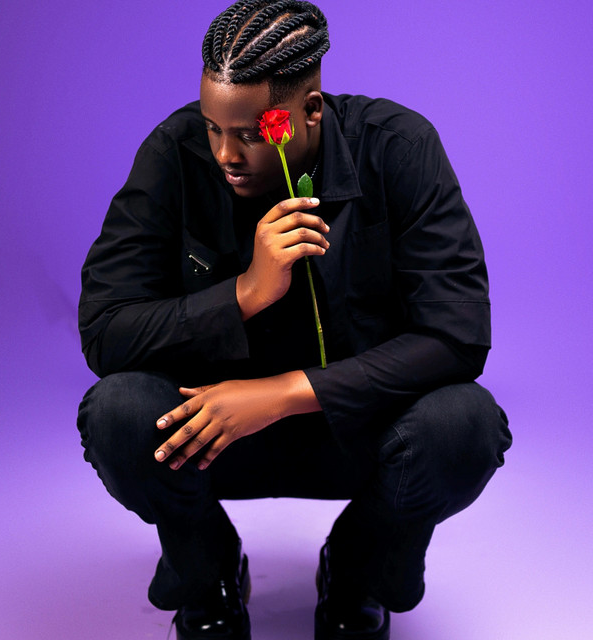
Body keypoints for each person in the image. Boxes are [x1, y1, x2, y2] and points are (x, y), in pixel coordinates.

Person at [77, 1, 512, 639]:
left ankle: (357, 572)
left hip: (357, 433)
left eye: (250, 134)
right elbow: (104, 329)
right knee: (116, 412)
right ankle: (208, 572)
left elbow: (457, 336)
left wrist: (282, 394)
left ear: (310, 110)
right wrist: (244, 294)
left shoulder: (399, 147)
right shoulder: (173, 154)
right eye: (212, 127)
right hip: (213, 436)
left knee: (465, 426)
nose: (225, 154)